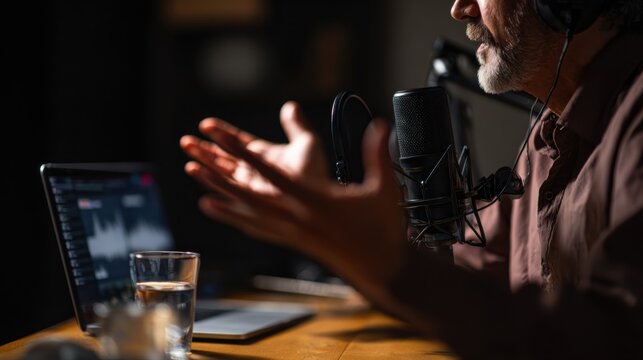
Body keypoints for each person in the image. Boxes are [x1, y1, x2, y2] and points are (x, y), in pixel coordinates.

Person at [180, 0, 643, 358]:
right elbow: (469, 280)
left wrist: (387, 261)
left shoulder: (635, 124)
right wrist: (335, 224)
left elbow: (609, 340)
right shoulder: (544, 139)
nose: (460, 9)